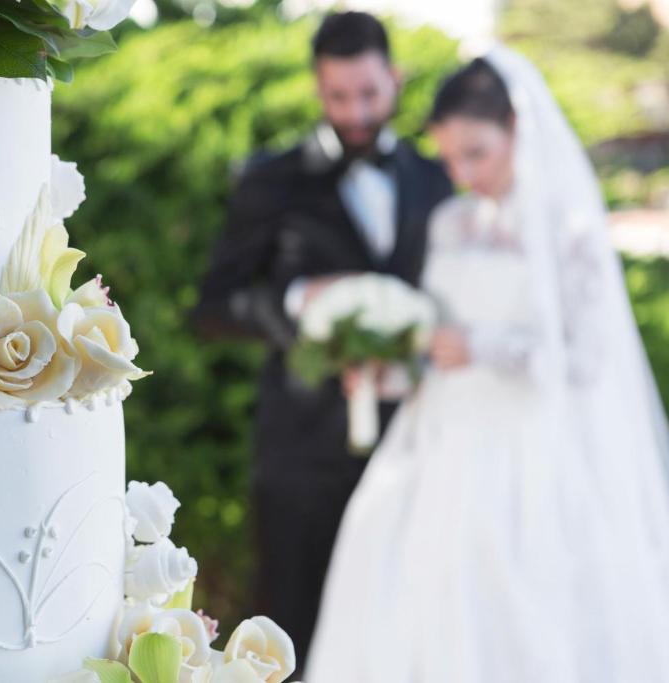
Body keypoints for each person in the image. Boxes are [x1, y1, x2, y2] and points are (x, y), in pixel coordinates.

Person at [304, 48, 669, 683]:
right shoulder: (450, 223)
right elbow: (434, 343)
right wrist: (384, 371)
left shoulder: (573, 233)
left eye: (477, 153)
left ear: (517, 131)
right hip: (436, 448)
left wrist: (484, 347)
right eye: (450, 159)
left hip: (532, 454)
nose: (463, 173)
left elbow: (586, 360)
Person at [190, 12, 451, 671]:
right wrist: (299, 300)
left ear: (393, 79)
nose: (355, 111)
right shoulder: (269, 179)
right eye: (338, 95)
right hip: (301, 452)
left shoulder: (432, 178)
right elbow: (214, 307)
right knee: (292, 634)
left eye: (368, 93)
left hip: (413, 444)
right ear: (318, 87)